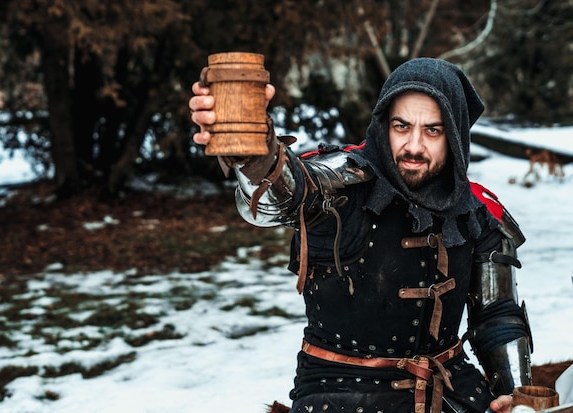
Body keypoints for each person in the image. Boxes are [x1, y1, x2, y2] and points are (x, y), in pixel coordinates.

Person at [189, 58, 532, 413]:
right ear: (384, 124)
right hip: (339, 394)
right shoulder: (341, 184)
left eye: (433, 130)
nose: (413, 146)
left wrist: (518, 395)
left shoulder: (477, 213)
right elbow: (287, 192)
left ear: (456, 134)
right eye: (402, 126)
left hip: (452, 393)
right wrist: (254, 148)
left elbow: (498, 314)